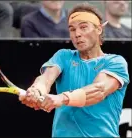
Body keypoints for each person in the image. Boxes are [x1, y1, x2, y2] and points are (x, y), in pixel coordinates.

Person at [19, 3, 130, 137]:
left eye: (83, 27)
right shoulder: (63, 56)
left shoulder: (115, 62)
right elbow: (46, 78)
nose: (77, 34)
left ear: (99, 29)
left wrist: (62, 98)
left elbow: (98, 91)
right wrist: (37, 90)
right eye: (72, 29)